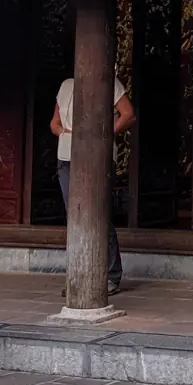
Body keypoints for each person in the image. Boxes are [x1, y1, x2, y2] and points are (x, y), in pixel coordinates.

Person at [52, 69, 135, 296]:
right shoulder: (66, 84)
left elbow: (128, 114)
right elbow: (55, 122)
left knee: (99, 214)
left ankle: (111, 275)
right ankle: (78, 274)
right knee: (74, 217)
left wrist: (104, 134)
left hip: (97, 157)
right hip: (67, 157)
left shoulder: (109, 82)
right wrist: (64, 132)